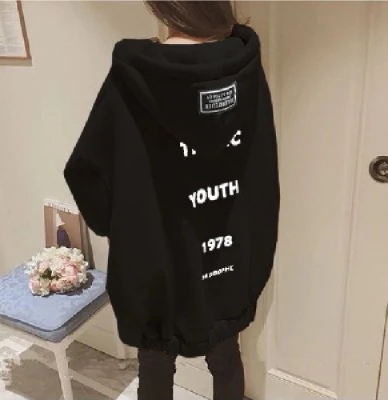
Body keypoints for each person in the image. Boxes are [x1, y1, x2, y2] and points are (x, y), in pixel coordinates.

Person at [63, 1, 280, 399]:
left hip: (155, 259)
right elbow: (262, 167)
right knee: (226, 356)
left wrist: (116, 225)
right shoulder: (243, 70)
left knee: (156, 362)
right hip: (226, 256)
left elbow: (87, 171)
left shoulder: (136, 76)